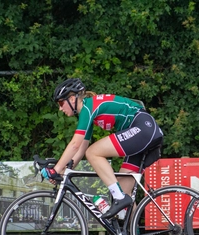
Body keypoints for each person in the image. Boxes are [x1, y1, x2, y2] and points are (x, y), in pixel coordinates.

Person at [41, 78, 164, 220]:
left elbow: (75, 144)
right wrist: (64, 172)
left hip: (143, 128)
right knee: (125, 192)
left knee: (93, 153)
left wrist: (55, 169)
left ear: (73, 99)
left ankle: (119, 198)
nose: (60, 108)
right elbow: (80, 148)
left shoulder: (88, 108)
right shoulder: (88, 111)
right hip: (142, 133)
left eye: (61, 103)